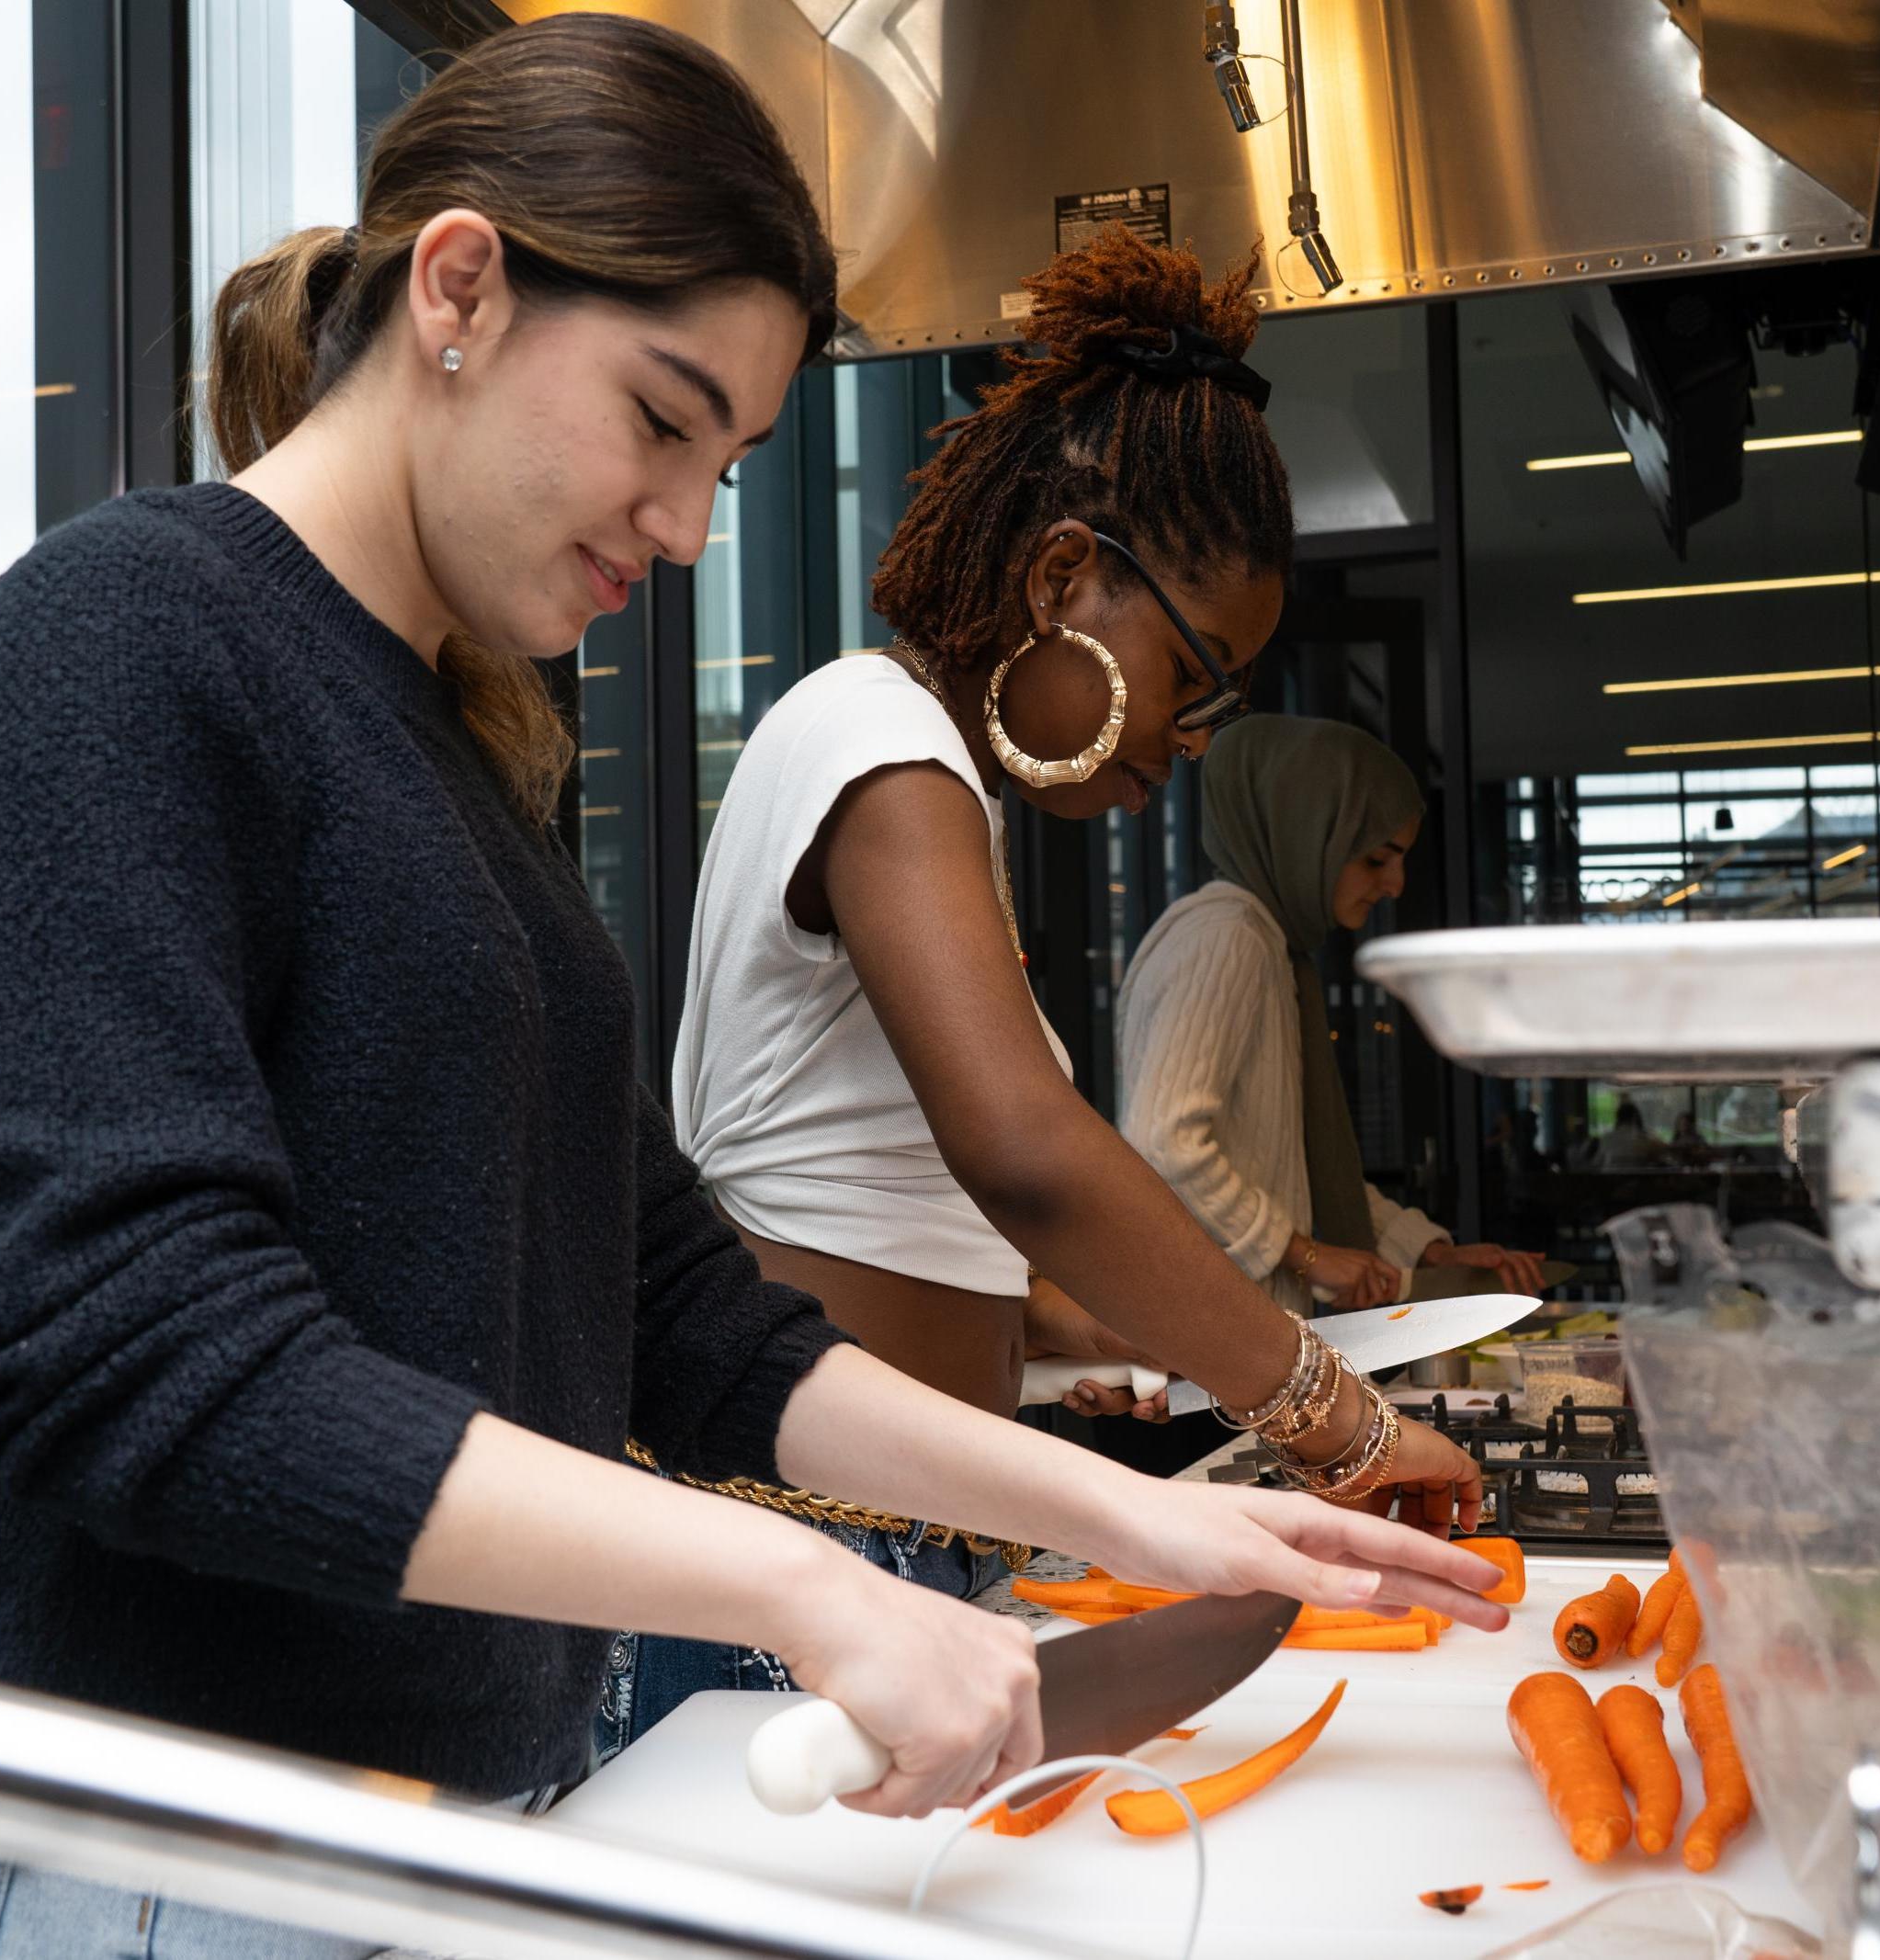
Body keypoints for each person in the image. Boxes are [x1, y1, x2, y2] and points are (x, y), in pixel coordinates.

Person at [0, 21, 1507, 1959]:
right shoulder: (116, 645)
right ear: (458, 286)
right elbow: (140, 1364)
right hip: (145, 1857)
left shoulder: (469, 756)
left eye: (728, 459)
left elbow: (693, 1322)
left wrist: (1142, 1522)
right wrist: (813, 1591)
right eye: (660, 417)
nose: (691, 525)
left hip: (448, 1828)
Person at [610, 229, 1492, 1755]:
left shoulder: (926, 774)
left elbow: (889, 1201)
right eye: (1195, 670)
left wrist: (1063, 1339)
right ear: (1065, 575)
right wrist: (1327, 1420)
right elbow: (1018, 1148)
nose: (1202, 729)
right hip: (804, 1557)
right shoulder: (874, 737)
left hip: (891, 1536)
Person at [1117, 715, 1547, 1321]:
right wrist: (1302, 1253)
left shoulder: (1268, 943)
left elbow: (1295, 1167)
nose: (1394, 884)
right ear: (1304, 833)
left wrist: (1428, 1250)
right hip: (1208, 1354)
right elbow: (1162, 1143)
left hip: (1231, 1343)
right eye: (1376, 858)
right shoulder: (1228, 938)